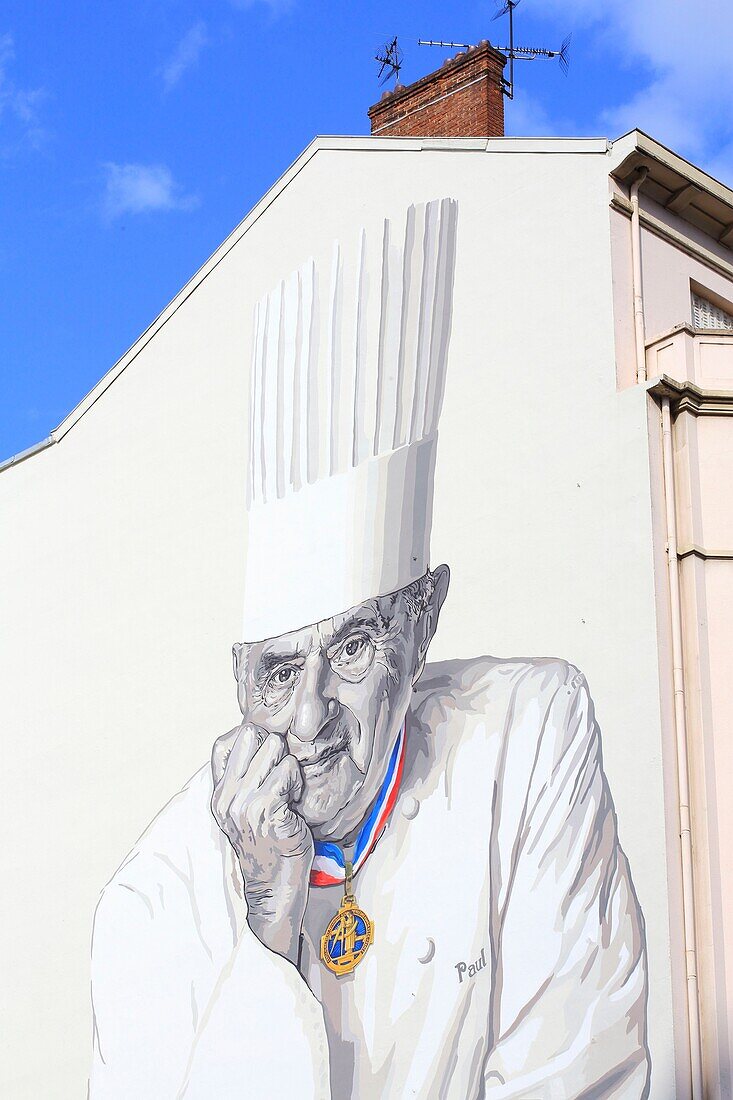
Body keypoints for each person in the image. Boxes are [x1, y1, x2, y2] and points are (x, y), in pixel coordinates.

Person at [89, 199, 650, 1099]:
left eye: (350, 646)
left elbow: (579, 1074)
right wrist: (268, 927)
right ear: (238, 675)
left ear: (423, 623)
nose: (307, 719)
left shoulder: (527, 732)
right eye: (276, 672)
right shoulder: (150, 899)